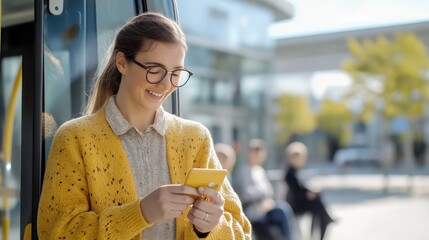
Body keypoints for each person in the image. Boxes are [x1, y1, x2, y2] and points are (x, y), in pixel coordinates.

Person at [37, 12, 251, 240]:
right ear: (122, 63)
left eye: (176, 73)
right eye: (154, 70)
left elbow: (242, 233)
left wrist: (208, 228)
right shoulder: (74, 138)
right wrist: (140, 213)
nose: (166, 84)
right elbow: (56, 233)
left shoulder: (196, 139)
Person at [234, 138, 298, 240]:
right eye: (254, 152)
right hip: (253, 209)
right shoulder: (243, 170)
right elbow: (246, 194)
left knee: (284, 208)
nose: (257, 155)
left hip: (266, 207)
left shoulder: (259, 170)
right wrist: (262, 197)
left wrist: (266, 199)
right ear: (249, 153)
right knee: (281, 210)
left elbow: (269, 191)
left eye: (259, 152)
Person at [284, 142, 334, 240]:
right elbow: (295, 192)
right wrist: (308, 194)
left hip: (301, 202)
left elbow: (302, 188)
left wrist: (311, 192)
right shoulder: (290, 173)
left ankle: (323, 223)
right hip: (294, 205)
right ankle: (326, 220)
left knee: (317, 204)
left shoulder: (297, 171)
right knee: (317, 204)